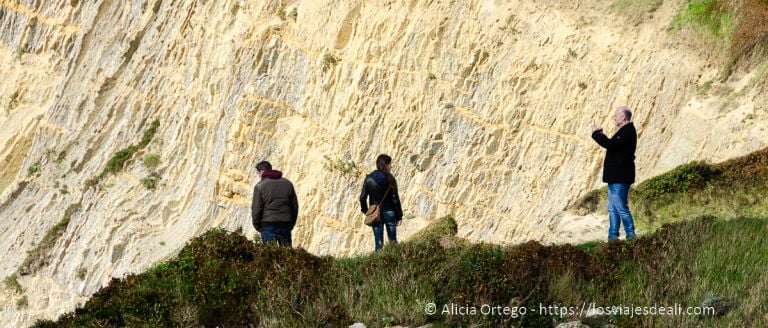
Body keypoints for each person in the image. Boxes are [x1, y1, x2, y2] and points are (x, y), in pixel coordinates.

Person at [591, 106, 638, 241]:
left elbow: (610, 145)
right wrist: (600, 134)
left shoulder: (627, 130)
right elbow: (612, 144)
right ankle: (612, 237)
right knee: (612, 208)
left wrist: (596, 134)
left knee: (620, 207)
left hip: (620, 176)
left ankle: (631, 235)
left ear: (624, 117)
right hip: (616, 176)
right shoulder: (624, 131)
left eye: (617, 115)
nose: (614, 117)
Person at [359, 154, 404, 251]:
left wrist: (367, 211)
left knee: (378, 244)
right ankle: (395, 263)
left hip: (375, 214)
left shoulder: (369, 179)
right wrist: (399, 215)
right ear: (385, 165)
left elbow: (362, 198)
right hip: (390, 212)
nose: (391, 166)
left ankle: (379, 265)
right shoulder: (390, 179)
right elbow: (395, 198)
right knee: (393, 242)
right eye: (390, 164)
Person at [251, 161, 299, 247]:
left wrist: (258, 226)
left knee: (270, 255)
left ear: (261, 172)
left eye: (258, 173)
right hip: (285, 223)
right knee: (287, 255)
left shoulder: (260, 186)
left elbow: (256, 209)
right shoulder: (288, 184)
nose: (258, 176)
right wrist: (291, 224)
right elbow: (294, 207)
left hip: (268, 224)